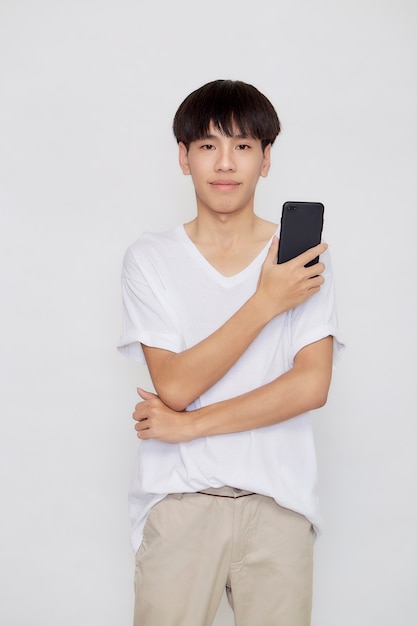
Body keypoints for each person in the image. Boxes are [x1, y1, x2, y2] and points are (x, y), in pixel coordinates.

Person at [117, 79, 343, 626]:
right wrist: (265, 302)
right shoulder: (150, 258)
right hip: (179, 505)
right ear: (183, 157)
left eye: (243, 146)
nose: (225, 162)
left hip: (279, 506)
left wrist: (188, 427)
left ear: (266, 160)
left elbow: (310, 386)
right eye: (207, 146)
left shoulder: (302, 261)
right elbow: (173, 385)